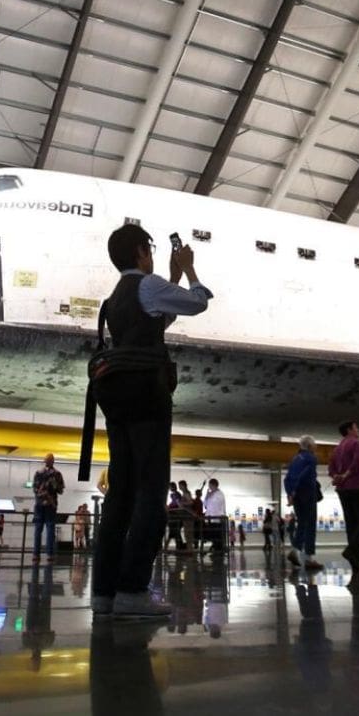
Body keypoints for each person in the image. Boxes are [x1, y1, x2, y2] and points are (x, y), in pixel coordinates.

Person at [90, 223, 211, 619]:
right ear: (143, 252)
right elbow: (197, 303)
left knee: (120, 495)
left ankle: (104, 593)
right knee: (150, 492)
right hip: (147, 397)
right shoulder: (148, 285)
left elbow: (151, 324)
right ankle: (133, 590)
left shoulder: (113, 299)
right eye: (151, 250)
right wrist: (190, 270)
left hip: (115, 399)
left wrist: (169, 279)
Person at [329, 421, 359, 572]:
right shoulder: (356, 443)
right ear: (349, 430)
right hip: (358, 486)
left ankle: (357, 564)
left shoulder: (337, 449)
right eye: (356, 427)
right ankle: (350, 550)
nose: (358, 430)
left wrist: (337, 477)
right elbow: (358, 462)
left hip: (343, 490)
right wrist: (347, 474)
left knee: (352, 525)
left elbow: (331, 469)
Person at [284, 436, 322, 570]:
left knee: (302, 523)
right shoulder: (311, 458)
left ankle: (297, 552)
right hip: (307, 494)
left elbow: (287, 478)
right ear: (310, 446)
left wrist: (290, 494)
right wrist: (295, 490)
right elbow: (305, 475)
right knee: (310, 525)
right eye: (315, 444)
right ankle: (306, 557)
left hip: (296, 497)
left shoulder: (295, 459)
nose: (316, 446)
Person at [33, 453, 65, 560]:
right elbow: (60, 491)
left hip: (41, 504)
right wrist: (49, 496)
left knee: (39, 529)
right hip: (51, 504)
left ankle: (36, 554)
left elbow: (35, 490)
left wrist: (43, 496)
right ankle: (49, 554)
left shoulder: (38, 473)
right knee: (49, 528)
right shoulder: (57, 474)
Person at [203, 478, 227, 554]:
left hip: (217, 519)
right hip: (210, 518)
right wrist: (207, 496)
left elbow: (216, 506)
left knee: (217, 535)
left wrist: (210, 495)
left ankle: (218, 550)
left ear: (213, 485)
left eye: (210, 485)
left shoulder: (220, 494)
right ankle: (215, 548)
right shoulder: (211, 494)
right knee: (213, 535)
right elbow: (206, 505)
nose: (209, 487)